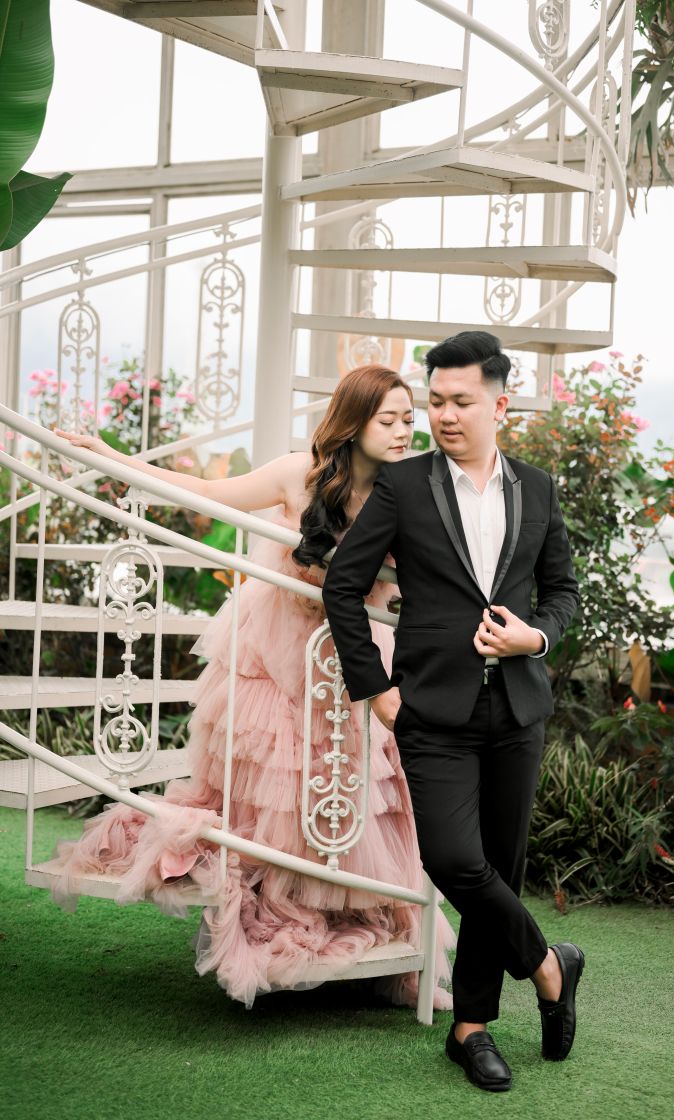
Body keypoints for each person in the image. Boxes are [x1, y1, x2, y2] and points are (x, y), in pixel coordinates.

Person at [50, 364, 455, 1011]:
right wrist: (110, 457)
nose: (405, 431)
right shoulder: (299, 474)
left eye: (410, 419)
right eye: (389, 419)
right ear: (354, 423)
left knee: (351, 786)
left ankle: (356, 917)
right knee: (277, 788)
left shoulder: (406, 490)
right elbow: (209, 493)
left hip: (353, 656)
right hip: (277, 650)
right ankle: (283, 903)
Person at [322, 331, 584, 1092]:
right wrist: (375, 686)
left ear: (500, 405)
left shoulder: (537, 488)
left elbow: (563, 593)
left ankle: (470, 1027)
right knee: (452, 860)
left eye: (460, 401)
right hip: (432, 710)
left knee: (499, 868)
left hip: (519, 710)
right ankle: (550, 966)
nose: (443, 415)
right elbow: (343, 585)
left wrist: (536, 636)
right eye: (435, 400)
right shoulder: (404, 485)